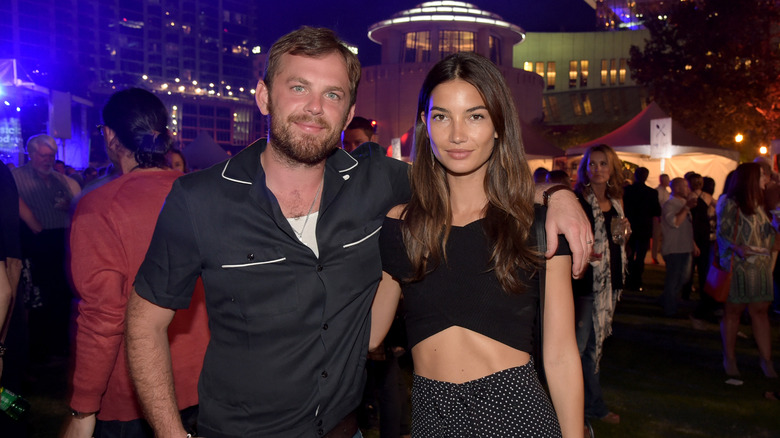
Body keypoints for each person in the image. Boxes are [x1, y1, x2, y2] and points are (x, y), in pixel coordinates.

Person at [125, 27, 592, 438]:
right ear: (264, 96)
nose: (314, 107)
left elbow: (484, 194)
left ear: (349, 112)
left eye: (332, 94)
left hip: (462, 418)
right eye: (299, 87)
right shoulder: (202, 199)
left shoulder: (381, 187)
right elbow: (145, 323)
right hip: (336, 421)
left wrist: (558, 195)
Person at [370, 51, 583, 437]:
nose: (456, 134)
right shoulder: (401, 226)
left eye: (475, 115)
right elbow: (368, 335)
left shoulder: (537, 226)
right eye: (441, 116)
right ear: (425, 124)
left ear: (499, 125)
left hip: (517, 416)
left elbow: (561, 356)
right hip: (432, 418)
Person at [63, 88, 209, 438]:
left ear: (110, 136)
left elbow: (103, 315)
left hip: (134, 392)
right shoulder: (204, 195)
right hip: (207, 381)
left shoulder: (100, 206)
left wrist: (83, 409)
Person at [572, 143, 628, 425]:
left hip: (609, 284)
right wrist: (583, 250)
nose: (597, 169)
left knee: (594, 349)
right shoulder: (578, 199)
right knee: (579, 350)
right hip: (586, 284)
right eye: (592, 164)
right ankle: (581, 408)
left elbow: (617, 240)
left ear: (612, 168)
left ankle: (588, 406)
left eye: (603, 164)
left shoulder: (616, 201)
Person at [12, 134, 80, 363]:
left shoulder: (62, 180)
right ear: (31, 154)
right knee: (37, 301)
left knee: (60, 297)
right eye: (43, 155)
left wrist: (68, 206)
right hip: (34, 244)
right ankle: (37, 353)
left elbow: (75, 208)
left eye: (51, 155)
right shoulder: (16, 178)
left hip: (61, 242)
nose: (47, 159)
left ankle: (58, 348)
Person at [717, 162, 778, 378]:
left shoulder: (762, 204)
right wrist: (736, 247)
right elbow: (722, 233)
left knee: (760, 312)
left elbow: (769, 237)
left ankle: (766, 360)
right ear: (750, 178)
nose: (766, 178)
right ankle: (730, 358)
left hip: (760, 266)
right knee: (733, 313)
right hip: (739, 266)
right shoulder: (731, 203)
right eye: (762, 175)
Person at [660, 178, 699, 317]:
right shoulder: (669, 204)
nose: (688, 189)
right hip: (674, 249)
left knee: (683, 278)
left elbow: (687, 226)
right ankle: (670, 308)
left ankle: (668, 300)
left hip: (685, 247)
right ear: (676, 188)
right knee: (674, 279)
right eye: (685, 186)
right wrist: (687, 207)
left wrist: (693, 244)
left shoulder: (682, 203)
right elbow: (675, 222)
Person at [623, 167, 661, 291]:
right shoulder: (651, 192)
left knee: (628, 254)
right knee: (640, 256)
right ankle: (637, 280)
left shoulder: (627, 190)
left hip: (630, 226)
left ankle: (628, 279)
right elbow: (657, 211)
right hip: (644, 227)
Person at [652, 173, 671, 264]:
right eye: (667, 179)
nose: (669, 181)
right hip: (659, 217)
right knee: (656, 237)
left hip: (666, 217)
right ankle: (654, 256)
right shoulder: (657, 191)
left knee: (665, 237)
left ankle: (663, 255)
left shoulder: (667, 192)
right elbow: (657, 205)